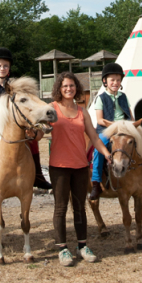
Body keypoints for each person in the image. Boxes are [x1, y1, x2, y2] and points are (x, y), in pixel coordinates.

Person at [0, 47, 52, 206]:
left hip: (12, 127)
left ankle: (39, 178)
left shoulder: (15, 87)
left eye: (5, 66)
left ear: (9, 68)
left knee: (33, 143)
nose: (2, 68)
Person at [50, 71, 112, 266]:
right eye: (65, 86)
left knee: (80, 207)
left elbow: (93, 137)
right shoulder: (51, 109)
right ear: (59, 89)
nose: (69, 89)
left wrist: (107, 154)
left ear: (76, 88)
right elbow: (39, 131)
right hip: (59, 166)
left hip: (79, 166)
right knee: (60, 208)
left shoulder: (82, 111)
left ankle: (82, 246)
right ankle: (62, 248)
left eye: (72, 86)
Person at [88, 62, 142, 200]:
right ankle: (96, 183)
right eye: (112, 80)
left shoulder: (123, 97)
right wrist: (116, 126)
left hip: (125, 130)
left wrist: (131, 126)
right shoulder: (100, 98)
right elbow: (100, 120)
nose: (115, 83)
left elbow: (130, 115)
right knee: (98, 150)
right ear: (105, 81)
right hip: (107, 130)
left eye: (118, 80)